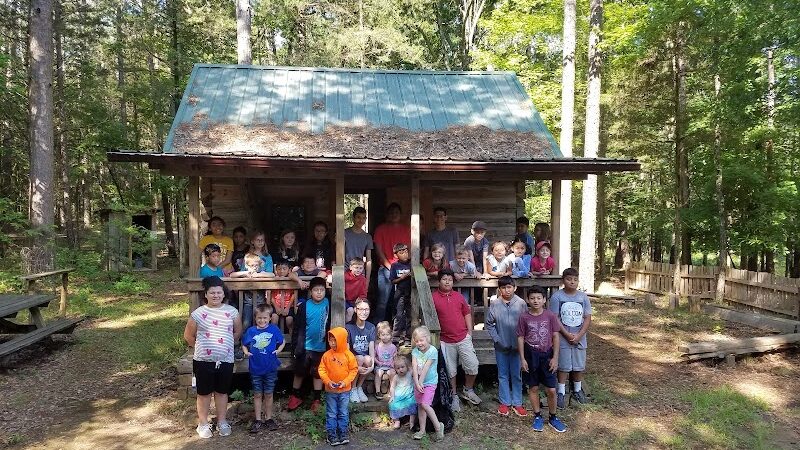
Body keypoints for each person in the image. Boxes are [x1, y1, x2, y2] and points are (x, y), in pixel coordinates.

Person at [183, 276, 242, 439]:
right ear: (206, 295)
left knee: (222, 392)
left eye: (219, 292)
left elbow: (237, 332)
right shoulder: (198, 314)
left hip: (226, 359)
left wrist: (225, 345)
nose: (216, 295)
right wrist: (203, 347)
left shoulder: (232, 312)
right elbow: (188, 336)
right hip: (203, 361)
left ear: (224, 294)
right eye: (212, 292)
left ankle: (222, 421)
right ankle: (203, 423)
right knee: (204, 393)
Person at [518, 286, 567, 432]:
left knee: (551, 389)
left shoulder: (550, 316)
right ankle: (537, 416)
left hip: (547, 355)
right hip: (530, 354)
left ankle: (553, 417)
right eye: (532, 298)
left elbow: (555, 336)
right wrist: (522, 359)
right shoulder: (524, 317)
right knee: (533, 387)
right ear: (527, 300)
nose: (535, 301)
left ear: (544, 300)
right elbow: (520, 337)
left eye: (539, 298)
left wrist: (555, 358)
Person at [431, 269, 481, 411]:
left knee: (473, 366)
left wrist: (469, 332)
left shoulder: (459, 297)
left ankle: (468, 390)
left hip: (463, 337)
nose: (447, 282)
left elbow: (466, 313)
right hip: (445, 339)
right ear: (439, 281)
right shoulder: (433, 297)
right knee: (450, 371)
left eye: (450, 279)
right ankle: (453, 396)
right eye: (444, 279)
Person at [549, 267, 592, 407]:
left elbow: (587, 317)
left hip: (579, 336)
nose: (572, 282)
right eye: (569, 279)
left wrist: (579, 335)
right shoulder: (557, 297)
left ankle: (577, 391)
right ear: (563, 281)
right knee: (564, 364)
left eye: (575, 279)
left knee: (579, 364)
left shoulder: (583, 297)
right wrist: (566, 334)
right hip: (563, 336)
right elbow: (554, 318)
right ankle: (561, 392)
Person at [485, 276, 528, 417]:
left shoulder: (521, 303)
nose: (507, 290)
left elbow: (526, 323)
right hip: (501, 347)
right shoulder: (495, 304)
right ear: (499, 289)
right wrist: (497, 339)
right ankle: (505, 402)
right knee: (502, 375)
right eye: (503, 287)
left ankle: (517, 403)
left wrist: (522, 342)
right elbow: (489, 324)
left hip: (517, 347)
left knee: (516, 375)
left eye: (509, 287)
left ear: (515, 288)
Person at [288, 277, 331, 412]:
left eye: (321, 290)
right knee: (299, 372)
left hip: (322, 347)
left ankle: (317, 399)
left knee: (318, 373)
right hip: (305, 346)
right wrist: (295, 347)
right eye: (316, 290)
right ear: (310, 292)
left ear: (325, 291)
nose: (319, 293)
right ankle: (295, 396)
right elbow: (297, 328)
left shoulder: (328, 304)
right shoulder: (305, 306)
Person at [242, 304, 285, 434]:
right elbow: (244, 344)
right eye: (259, 318)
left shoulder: (274, 329)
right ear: (255, 318)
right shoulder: (251, 331)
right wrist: (246, 352)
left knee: (269, 393)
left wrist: (278, 350)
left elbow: (282, 341)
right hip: (255, 367)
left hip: (270, 367)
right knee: (257, 393)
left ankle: (269, 418)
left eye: (265, 318)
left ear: (270, 318)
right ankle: (258, 419)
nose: (262, 320)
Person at [318, 327, 358, 446]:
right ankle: (331, 434)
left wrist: (345, 382)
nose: (333, 343)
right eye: (330, 340)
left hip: (344, 390)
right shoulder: (326, 355)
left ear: (341, 340)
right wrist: (327, 381)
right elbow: (321, 369)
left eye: (335, 340)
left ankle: (343, 433)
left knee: (343, 412)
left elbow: (353, 370)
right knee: (331, 412)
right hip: (331, 390)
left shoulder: (348, 355)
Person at [373, 203, 410, 323]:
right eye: (391, 212)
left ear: (400, 214)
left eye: (396, 212)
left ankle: (396, 330)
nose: (394, 215)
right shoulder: (380, 229)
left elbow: (409, 249)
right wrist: (390, 266)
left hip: (403, 269)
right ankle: (377, 327)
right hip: (385, 268)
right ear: (387, 215)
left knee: (400, 300)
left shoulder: (406, 229)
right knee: (383, 300)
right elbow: (378, 250)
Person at [411, 326, 445, 441]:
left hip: (429, 382)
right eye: (417, 341)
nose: (419, 343)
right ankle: (422, 430)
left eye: (421, 340)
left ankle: (438, 426)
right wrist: (416, 382)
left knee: (426, 404)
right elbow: (414, 368)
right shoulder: (415, 351)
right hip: (418, 383)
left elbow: (426, 367)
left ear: (427, 339)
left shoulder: (433, 351)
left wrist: (421, 381)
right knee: (420, 405)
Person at [229, 252, 274, 335]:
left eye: (256, 265)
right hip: (247, 303)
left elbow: (272, 275)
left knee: (261, 322)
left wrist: (258, 275)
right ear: (246, 266)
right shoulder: (245, 273)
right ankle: (244, 341)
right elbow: (232, 275)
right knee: (246, 322)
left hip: (260, 302)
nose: (254, 268)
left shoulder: (261, 273)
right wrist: (245, 273)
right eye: (252, 265)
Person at [345, 299, 376, 403]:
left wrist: (372, 366)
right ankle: (352, 388)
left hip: (364, 361)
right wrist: (355, 367)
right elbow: (347, 351)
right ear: (355, 310)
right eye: (361, 309)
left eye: (366, 309)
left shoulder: (371, 327)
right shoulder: (349, 327)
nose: (364, 312)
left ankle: (359, 387)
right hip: (354, 360)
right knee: (360, 357)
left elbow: (371, 348)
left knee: (368, 359)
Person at [389, 244, 413, 345]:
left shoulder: (412, 263)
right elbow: (392, 281)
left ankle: (408, 336)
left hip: (411, 293)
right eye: (401, 252)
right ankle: (395, 337)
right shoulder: (395, 266)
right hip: (400, 293)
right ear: (396, 255)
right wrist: (402, 278)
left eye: (406, 252)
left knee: (409, 315)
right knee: (399, 315)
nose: (405, 254)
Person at [388, 354, 417, 430]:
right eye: (398, 368)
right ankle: (397, 421)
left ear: (407, 367)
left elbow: (413, 367)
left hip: (409, 396)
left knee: (413, 404)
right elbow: (392, 387)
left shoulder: (410, 373)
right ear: (395, 369)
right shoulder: (396, 377)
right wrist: (392, 396)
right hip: (399, 397)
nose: (400, 369)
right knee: (392, 405)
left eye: (402, 367)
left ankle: (412, 422)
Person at [344, 206, 373, 280]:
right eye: (358, 217)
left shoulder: (367, 237)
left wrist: (367, 279)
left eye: (363, 218)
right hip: (346, 272)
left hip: (360, 273)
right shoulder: (344, 233)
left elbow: (368, 260)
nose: (361, 220)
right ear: (353, 218)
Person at [270, 260, 296, 335]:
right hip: (276, 305)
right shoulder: (273, 280)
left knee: (289, 321)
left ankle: (291, 340)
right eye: (279, 269)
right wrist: (276, 307)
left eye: (284, 269)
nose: (281, 271)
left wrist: (287, 307)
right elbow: (270, 295)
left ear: (289, 270)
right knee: (274, 320)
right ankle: (274, 338)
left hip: (288, 305)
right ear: (276, 270)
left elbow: (294, 295)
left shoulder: (291, 281)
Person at [373, 321, 397, 400]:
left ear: (390, 335)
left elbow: (395, 357)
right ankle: (377, 391)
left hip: (390, 366)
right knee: (379, 373)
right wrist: (378, 362)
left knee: (392, 373)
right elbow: (374, 357)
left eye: (387, 335)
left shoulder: (393, 347)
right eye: (383, 335)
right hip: (380, 365)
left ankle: (391, 389)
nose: (385, 337)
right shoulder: (377, 346)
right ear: (379, 336)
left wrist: (393, 364)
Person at [344, 258, 368, 323]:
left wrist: (359, 303)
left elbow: (363, 294)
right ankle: (345, 326)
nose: (358, 270)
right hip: (344, 300)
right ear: (350, 267)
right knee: (350, 311)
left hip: (355, 301)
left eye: (360, 268)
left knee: (363, 310)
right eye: (356, 268)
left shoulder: (363, 279)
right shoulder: (345, 276)